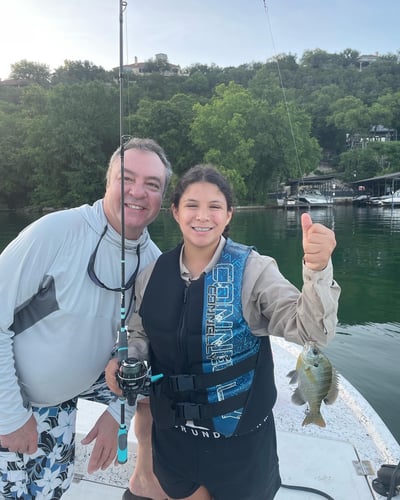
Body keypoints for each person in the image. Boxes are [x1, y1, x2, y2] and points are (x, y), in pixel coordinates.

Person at [106, 164, 341, 500]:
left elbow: (311, 332)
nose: (203, 216)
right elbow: (139, 334)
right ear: (175, 212)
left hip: (240, 445)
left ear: (229, 214)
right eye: (192, 205)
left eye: (215, 206)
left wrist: (317, 270)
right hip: (174, 440)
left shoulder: (256, 271)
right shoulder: (151, 275)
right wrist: (127, 360)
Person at [0, 137, 171, 499]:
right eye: (127, 178)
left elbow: (144, 354)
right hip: (9, 393)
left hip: (66, 398)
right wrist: (11, 417)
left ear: (162, 199)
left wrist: (117, 412)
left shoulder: (155, 264)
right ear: (107, 182)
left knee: (170, 379)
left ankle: (146, 482)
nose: (138, 192)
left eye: (152, 184)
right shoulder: (56, 232)